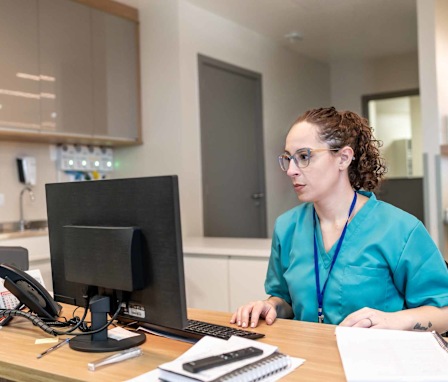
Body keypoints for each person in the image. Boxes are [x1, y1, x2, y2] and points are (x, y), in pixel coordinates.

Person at [230, 106, 448, 333]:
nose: (291, 170)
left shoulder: (401, 229)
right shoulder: (287, 227)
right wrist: (269, 305)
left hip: (374, 361)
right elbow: (284, 299)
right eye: (288, 159)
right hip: (308, 360)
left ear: (343, 158)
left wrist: (391, 321)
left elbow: (444, 311)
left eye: (304, 157)